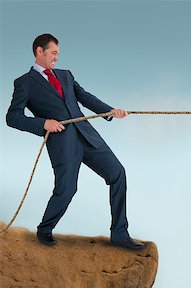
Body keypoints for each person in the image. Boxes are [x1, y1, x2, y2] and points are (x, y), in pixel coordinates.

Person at [6, 33, 144, 250]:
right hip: (62, 143)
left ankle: (119, 233)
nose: (57, 58)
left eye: (58, 54)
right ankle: (44, 229)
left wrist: (110, 111)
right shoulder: (24, 83)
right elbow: (12, 117)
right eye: (53, 53)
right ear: (39, 51)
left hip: (87, 135)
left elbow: (85, 96)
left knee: (118, 173)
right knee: (67, 189)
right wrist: (43, 124)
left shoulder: (66, 75)